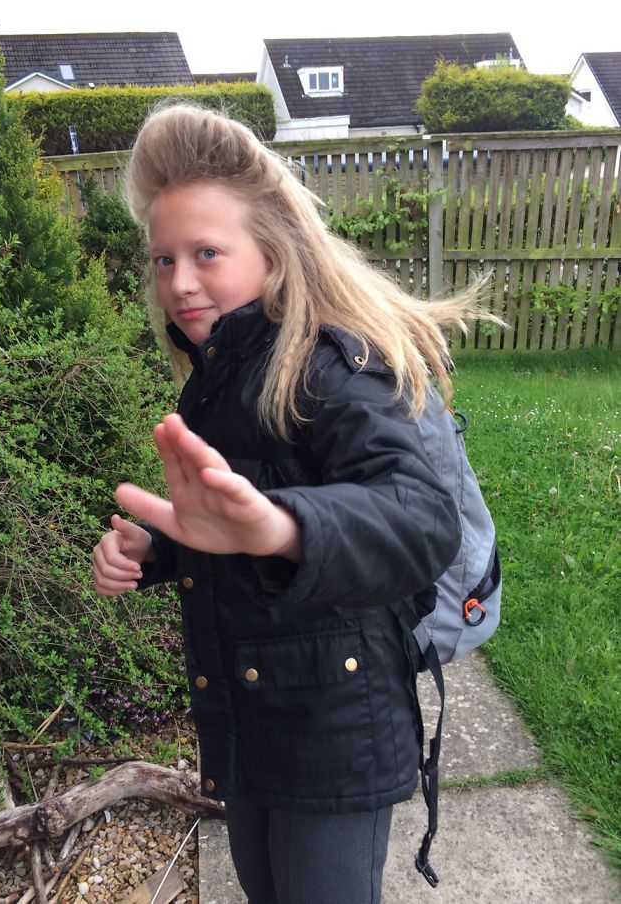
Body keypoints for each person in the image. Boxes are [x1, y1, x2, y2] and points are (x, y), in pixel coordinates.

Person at [92, 104, 491, 904]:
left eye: (207, 252)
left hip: (334, 729)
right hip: (248, 715)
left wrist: (281, 525)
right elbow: (233, 526)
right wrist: (161, 549)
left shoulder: (327, 369)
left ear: (272, 253)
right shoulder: (221, 371)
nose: (180, 281)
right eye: (164, 259)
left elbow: (418, 520)